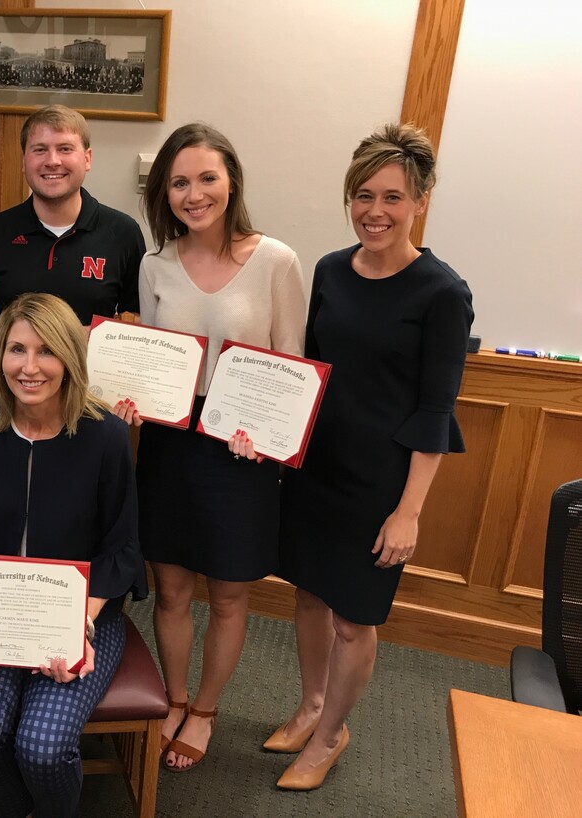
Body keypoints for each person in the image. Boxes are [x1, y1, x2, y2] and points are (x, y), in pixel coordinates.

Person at [255, 123, 473, 791]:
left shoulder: (442, 293)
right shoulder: (327, 269)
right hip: (317, 468)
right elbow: (307, 370)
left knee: (355, 618)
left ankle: (330, 735)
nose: (374, 211)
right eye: (362, 195)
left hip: (381, 483)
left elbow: (437, 413)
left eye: (392, 197)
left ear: (421, 201)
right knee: (310, 598)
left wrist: (408, 512)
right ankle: (310, 705)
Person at [115, 123, 306, 771]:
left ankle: (206, 710)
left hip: (241, 450)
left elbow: (293, 365)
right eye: (179, 182)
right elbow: (153, 362)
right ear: (163, 192)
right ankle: (173, 697)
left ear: (232, 182)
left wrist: (271, 434)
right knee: (170, 591)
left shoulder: (277, 260)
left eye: (206, 178)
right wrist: (131, 400)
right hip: (170, 444)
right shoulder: (154, 264)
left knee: (227, 595)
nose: (194, 194)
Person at [0, 292, 147, 817]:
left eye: (46, 351)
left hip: (82, 615)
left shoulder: (106, 435)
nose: (29, 367)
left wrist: (83, 620)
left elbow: (121, 547)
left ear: (69, 360)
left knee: (43, 747)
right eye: (16, 350)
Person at [0, 104, 146, 327]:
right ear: (24, 161)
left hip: (89, 363)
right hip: (12, 363)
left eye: (65, 149)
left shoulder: (123, 233)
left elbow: (137, 320)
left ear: (87, 158)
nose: (52, 161)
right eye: (40, 149)